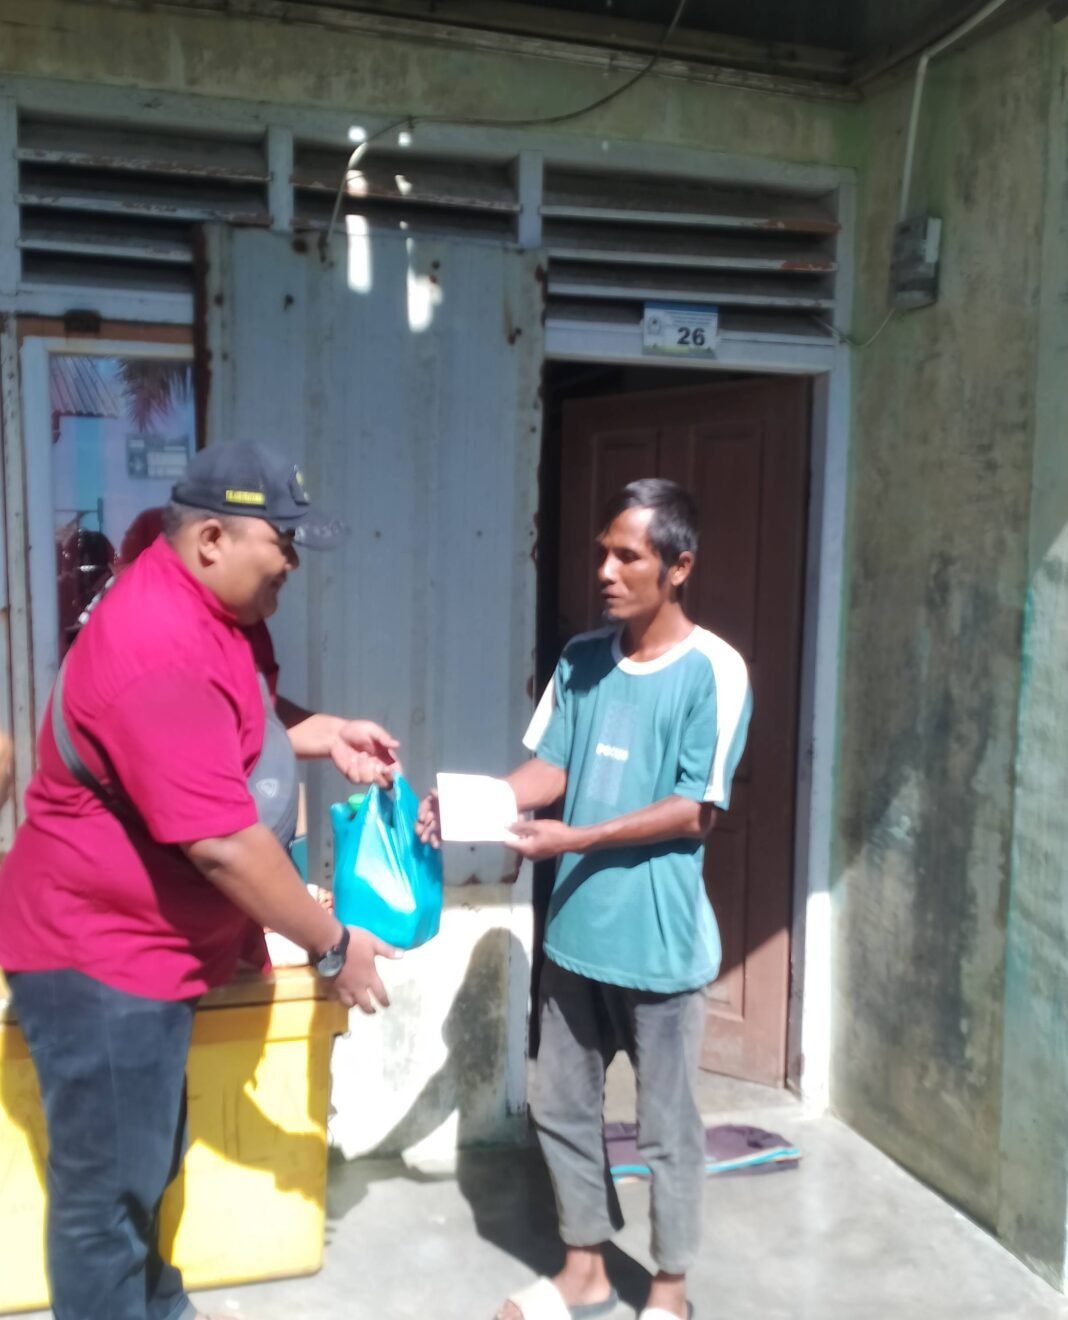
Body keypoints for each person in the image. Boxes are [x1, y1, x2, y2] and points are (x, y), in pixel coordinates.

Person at [0, 443, 400, 1320]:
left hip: (147, 953)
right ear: (212, 539)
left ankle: (161, 1306)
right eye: (283, 543)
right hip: (98, 957)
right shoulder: (159, 642)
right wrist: (334, 947)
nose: (293, 563)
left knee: (146, 1166)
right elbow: (223, 846)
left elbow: (237, 709)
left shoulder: (211, 609)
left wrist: (323, 730)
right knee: (107, 1202)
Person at [419, 478, 752, 1320]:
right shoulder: (581, 659)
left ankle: (669, 1291)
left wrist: (576, 839)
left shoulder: (714, 671)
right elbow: (552, 769)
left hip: (659, 948)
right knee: (563, 1110)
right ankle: (586, 1272)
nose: (605, 570)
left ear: (679, 567)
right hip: (574, 940)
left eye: (627, 556)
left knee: (666, 1130)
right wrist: (475, 803)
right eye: (603, 552)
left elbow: (697, 808)